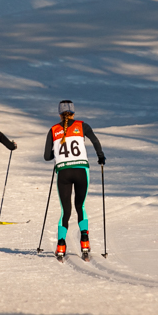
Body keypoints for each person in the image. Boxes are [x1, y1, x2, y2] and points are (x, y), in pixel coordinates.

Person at [42, 100, 106, 261]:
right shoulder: (82, 126)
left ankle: (61, 246)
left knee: (65, 211)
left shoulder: (53, 130)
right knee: (80, 206)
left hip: (63, 172)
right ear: (73, 113)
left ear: (59, 114)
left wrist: (57, 152)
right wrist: (101, 157)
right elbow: (95, 141)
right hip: (81, 170)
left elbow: (47, 156)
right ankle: (85, 242)